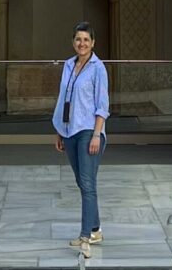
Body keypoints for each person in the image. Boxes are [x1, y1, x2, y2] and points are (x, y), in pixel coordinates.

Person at [53, 21, 109, 258]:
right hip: (70, 131)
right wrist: (60, 130)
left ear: (93, 43)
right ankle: (96, 229)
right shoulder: (68, 65)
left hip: (89, 131)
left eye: (86, 40)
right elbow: (63, 98)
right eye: (78, 39)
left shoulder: (98, 68)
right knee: (82, 181)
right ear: (73, 41)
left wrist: (97, 134)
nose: (82, 43)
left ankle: (86, 236)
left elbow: (102, 105)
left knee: (87, 184)